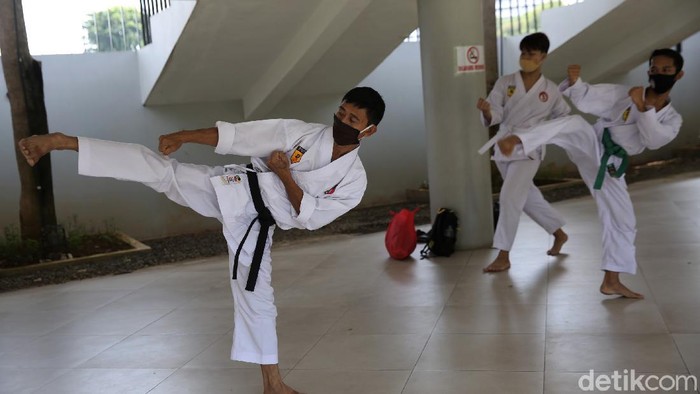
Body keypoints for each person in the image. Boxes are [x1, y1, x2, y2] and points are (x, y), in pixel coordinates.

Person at [18, 86, 386, 394]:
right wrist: (183, 136)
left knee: (257, 298)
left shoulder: (354, 181)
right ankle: (64, 142)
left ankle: (273, 385)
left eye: (352, 120)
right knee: (157, 169)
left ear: (368, 131)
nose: (341, 122)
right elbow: (241, 136)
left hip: (258, 222)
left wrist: (284, 175)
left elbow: (308, 217)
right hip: (233, 186)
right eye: (340, 113)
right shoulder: (301, 133)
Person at [497, 48, 685, 298]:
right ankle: (518, 140)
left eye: (666, 70)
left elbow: (653, 140)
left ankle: (611, 280)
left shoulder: (672, 119)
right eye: (654, 68)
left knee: (622, 219)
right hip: (593, 145)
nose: (658, 74)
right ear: (648, 70)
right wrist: (576, 85)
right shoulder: (625, 94)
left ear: (678, 75)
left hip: (611, 165)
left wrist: (643, 108)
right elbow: (591, 97)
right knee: (574, 123)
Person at [476, 32, 570, 273]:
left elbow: (562, 117)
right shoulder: (505, 82)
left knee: (509, 197)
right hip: (504, 146)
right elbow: (495, 110)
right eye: (523, 53)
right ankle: (559, 233)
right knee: (527, 197)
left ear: (543, 56)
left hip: (529, 149)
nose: (526, 57)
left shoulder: (550, 89)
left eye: (531, 53)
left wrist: (541, 134)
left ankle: (504, 254)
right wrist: (487, 112)